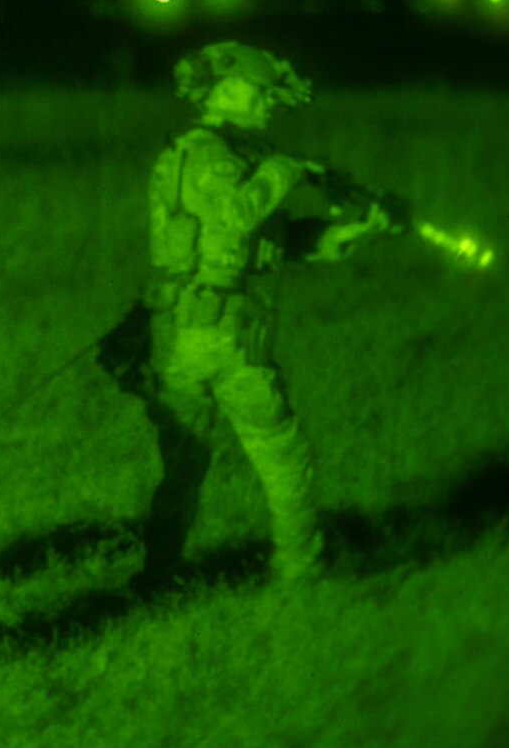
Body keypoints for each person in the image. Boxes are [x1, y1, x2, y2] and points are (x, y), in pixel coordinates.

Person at [124, 41, 391, 596]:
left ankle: (158, 579)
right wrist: (287, 167)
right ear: (226, 91)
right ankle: (300, 574)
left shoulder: (216, 155)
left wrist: (359, 228)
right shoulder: (213, 156)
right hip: (222, 337)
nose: (272, 102)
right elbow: (239, 213)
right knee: (284, 456)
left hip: (179, 335)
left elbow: (265, 244)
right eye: (262, 91)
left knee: (184, 468)